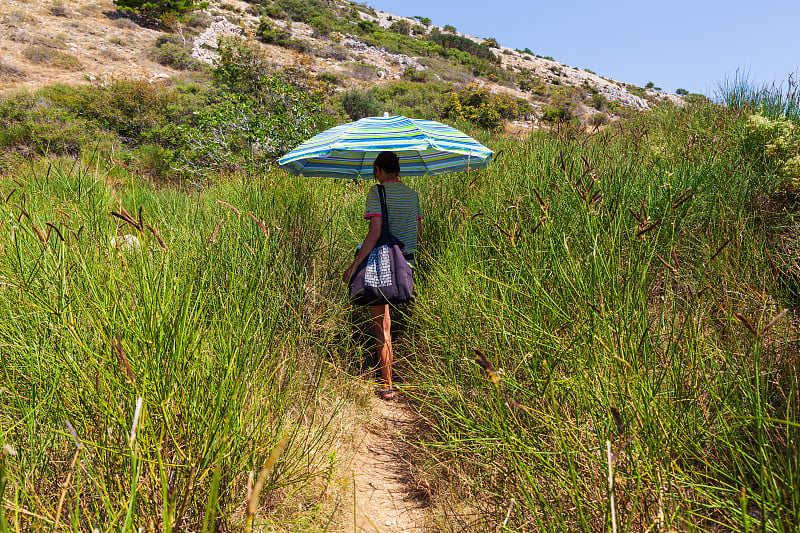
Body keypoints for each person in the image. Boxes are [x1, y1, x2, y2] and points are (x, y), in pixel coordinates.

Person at [343, 151, 421, 401]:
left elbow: (375, 233)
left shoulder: (377, 193)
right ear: (398, 170)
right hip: (406, 265)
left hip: (382, 267)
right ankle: (403, 374)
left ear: (378, 169)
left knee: (381, 325)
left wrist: (354, 266)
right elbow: (416, 234)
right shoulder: (412, 194)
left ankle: (387, 384)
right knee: (394, 321)